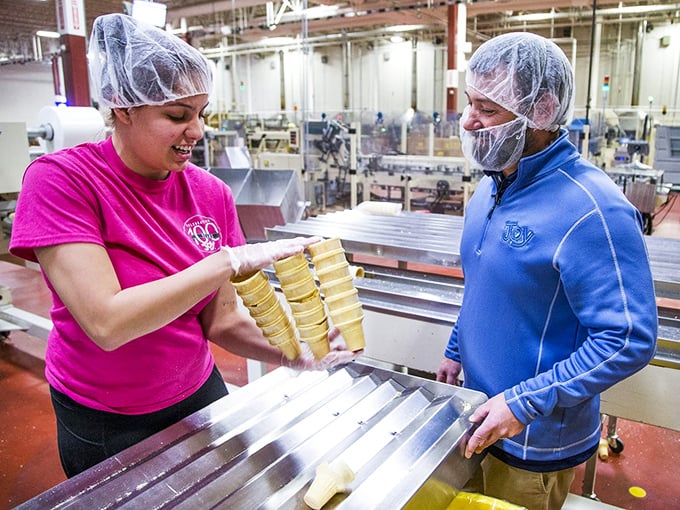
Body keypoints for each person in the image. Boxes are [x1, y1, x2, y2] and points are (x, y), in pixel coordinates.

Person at [9, 13, 357, 478]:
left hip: (196, 391)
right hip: (107, 416)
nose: (197, 131)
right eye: (176, 116)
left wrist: (295, 351)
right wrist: (226, 261)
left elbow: (222, 319)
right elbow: (106, 321)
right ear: (123, 108)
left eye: (201, 114)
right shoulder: (62, 181)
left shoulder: (210, 194)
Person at [436, 32, 657, 510]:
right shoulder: (491, 188)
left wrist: (523, 403)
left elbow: (627, 338)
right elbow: (483, 285)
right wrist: (457, 350)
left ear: (541, 110)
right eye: (469, 104)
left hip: (532, 444)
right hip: (475, 418)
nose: (469, 122)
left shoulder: (592, 208)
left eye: (488, 110)